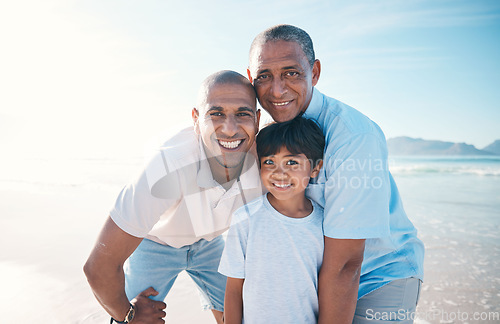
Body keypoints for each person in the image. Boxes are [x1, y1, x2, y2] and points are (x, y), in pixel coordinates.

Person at [246, 24, 425, 323]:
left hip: (378, 275)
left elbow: (346, 265)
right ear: (251, 78)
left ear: (314, 72)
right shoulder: (264, 134)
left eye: (291, 73)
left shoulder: (354, 137)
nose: (277, 90)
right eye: (264, 76)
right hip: (317, 276)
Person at [84, 70, 263, 324]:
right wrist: (128, 314)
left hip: (209, 243)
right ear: (196, 119)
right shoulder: (167, 167)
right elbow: (98, 266)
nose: (230, 129)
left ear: (257, 118)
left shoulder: (270, 160)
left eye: (242, 114)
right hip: (155, 242)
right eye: (216, 114)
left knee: (244, 316)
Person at [219, 117, 326, 323]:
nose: (279, 173)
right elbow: (233, 290)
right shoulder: (245, 219)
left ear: (315, 168)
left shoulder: (325, 224)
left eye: (292, 162)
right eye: (269, 162)